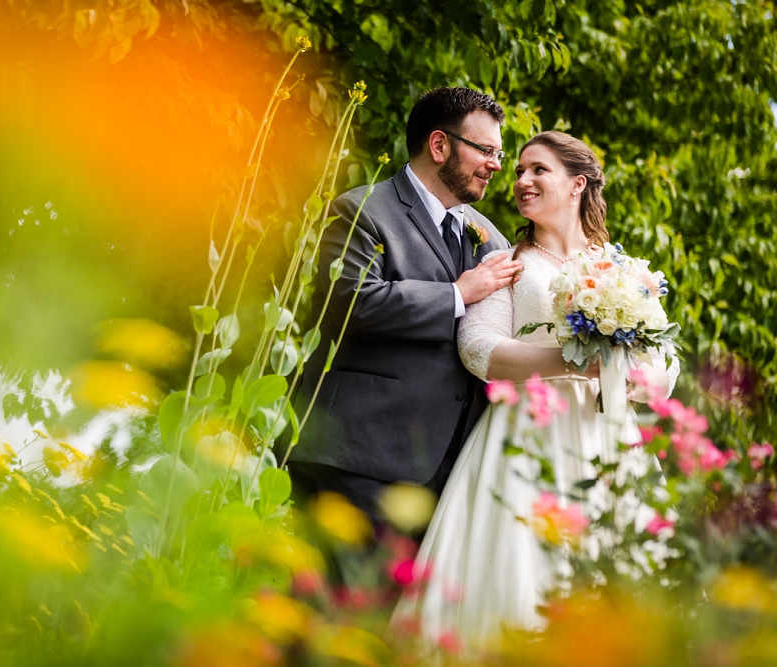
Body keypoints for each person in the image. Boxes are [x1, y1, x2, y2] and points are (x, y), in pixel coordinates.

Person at [391, 131, 679, 649]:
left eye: (537, 170)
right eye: (518, 170)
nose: (520, 181)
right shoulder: (508, 263)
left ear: (578, 184)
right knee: (523, 580)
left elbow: (664, 368)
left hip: (607, 439)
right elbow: (476, 349)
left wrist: (616, 374)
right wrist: (572, 363)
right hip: (526, 439)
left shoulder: (625, 270)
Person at [278, 87, 522, 522]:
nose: (496, 165)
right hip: (360, 454)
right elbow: (353, 301)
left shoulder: (491, 236)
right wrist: (458, 294)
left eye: (499, 154)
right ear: (439, 144)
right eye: (485, 150)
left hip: (450, 467)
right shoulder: (361, 210)